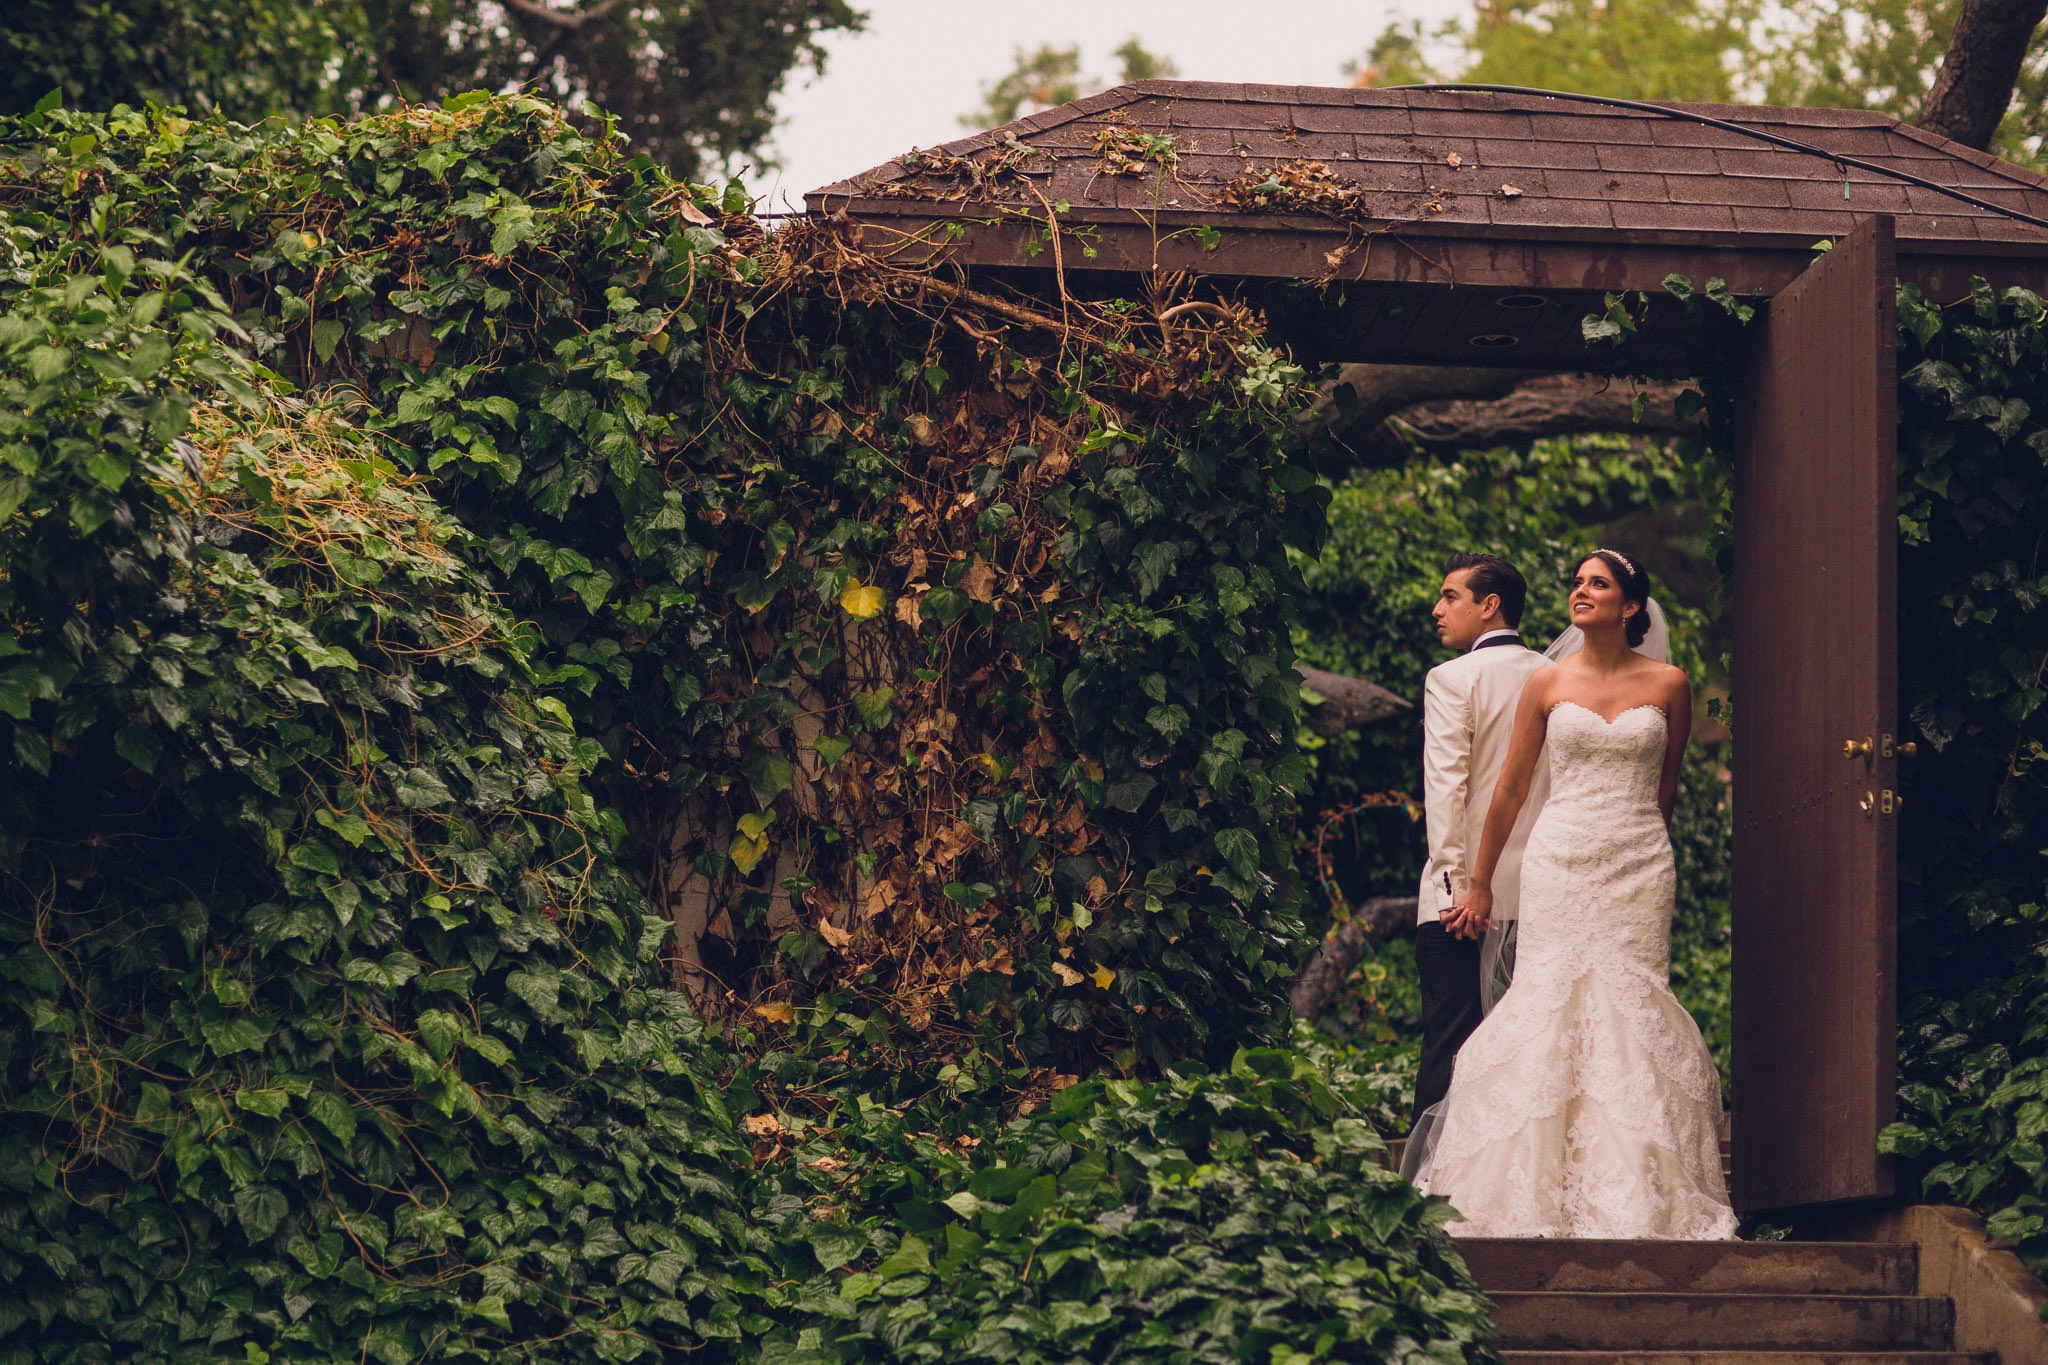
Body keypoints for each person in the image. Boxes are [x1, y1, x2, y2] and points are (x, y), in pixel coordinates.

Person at [1411, 549, 1737, 1239]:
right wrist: (1476, 881)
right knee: (1549, 999)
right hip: (1558, 859)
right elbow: (1509, 787)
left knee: (1631, 1000)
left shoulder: (1671, 682)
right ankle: (1525, 1184)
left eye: (1599, 583)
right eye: (1578, 582)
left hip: (1639, 859)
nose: (1580, 591)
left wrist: (1648, 847)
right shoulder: (1546, 682)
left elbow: (1667, 783)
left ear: (1629, 605)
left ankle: (1640, 1187)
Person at [1409, 552, 1551, 1137]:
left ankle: (1428, 1179)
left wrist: (1455, 889)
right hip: (1545, 892)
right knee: (1531, 1044)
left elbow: (1447, 789)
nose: (1437, 609)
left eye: (1450, 596)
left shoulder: (1451, 678)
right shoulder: (1560, 676)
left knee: (1450, 1036)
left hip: (1465, 896)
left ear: (1489, 605)